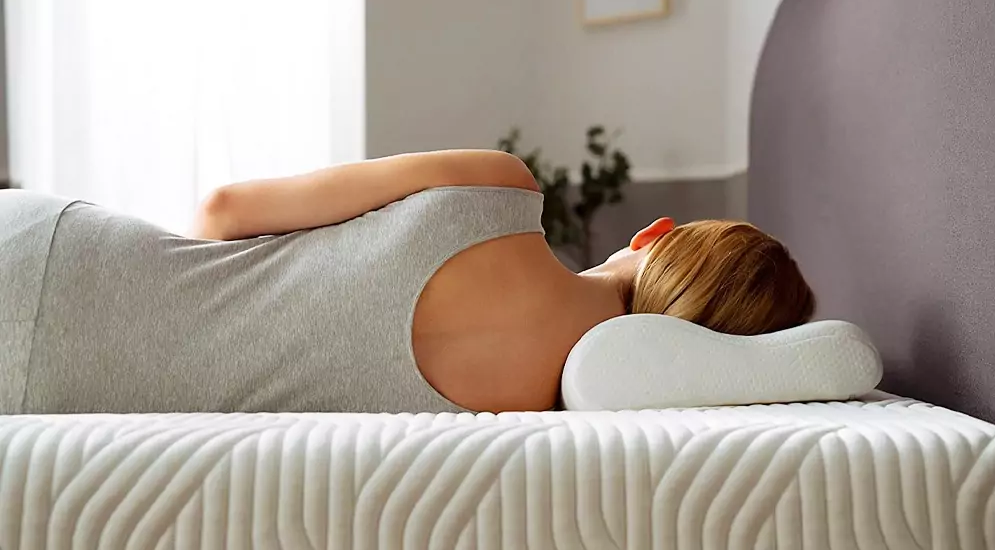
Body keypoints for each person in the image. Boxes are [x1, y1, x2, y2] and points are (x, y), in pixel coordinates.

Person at [0, 150, 815, 415]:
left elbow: (223, 211)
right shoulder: (540, 415)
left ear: (654, 234)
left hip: (58, 255)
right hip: (55, 392)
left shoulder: (502, 188)